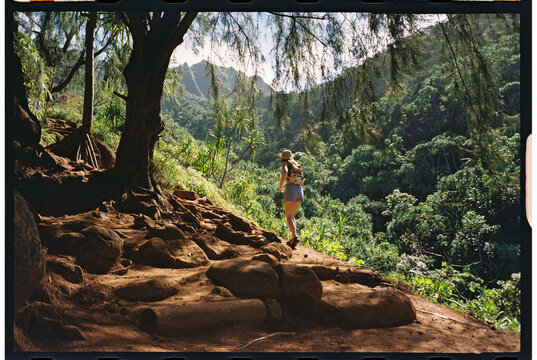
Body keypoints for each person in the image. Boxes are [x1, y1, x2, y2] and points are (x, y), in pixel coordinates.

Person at [278, 149, 305, 249]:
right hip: (300, 190)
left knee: (288, 217)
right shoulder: (295, 163)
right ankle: (293, 237)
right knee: (292, 217)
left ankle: (295, 237)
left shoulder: (285, 162)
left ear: (282, 156)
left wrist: (281, 186)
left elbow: (285, 172)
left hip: (291, 189)